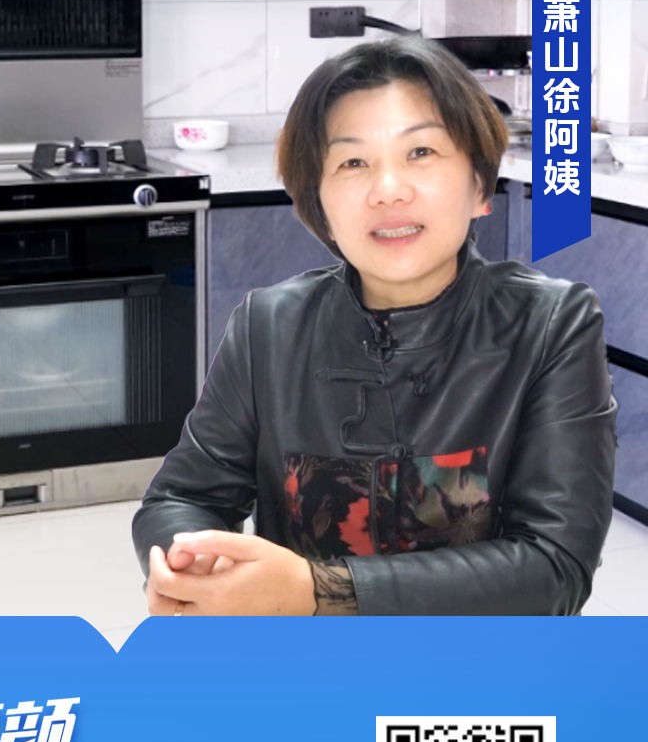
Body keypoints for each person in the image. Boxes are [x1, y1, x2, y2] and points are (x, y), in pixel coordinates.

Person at [133, 36, 616, 616]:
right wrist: (190, 566)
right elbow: (183, 497)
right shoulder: (269, 326)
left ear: (480, 187)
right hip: (308, 661)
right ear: (320, 206)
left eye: (421, 152)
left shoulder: (551, 325)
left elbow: (555, 567)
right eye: (353, 162)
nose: (388, 190)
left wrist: (317, 590)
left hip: (482, 663)